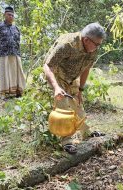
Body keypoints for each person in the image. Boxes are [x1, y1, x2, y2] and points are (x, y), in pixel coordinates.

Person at [43, 22, 106, 154]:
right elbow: (47, 66)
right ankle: (66, 141)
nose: (98, 47)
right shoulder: (67, 44)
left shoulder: (92, 49)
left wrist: (80, 90)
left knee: (78, 106)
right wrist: (56, 88)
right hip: (57, 76)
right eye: (97, 44)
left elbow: (86, 69)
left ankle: (87, 133)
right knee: (63, 107)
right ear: (86, 40)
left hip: (72, 78)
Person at [0, 6, 25, 99]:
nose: (11, 17)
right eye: (9, 15)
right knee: (5, 73)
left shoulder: (16, 28)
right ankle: (4, 94)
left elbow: (18, 40)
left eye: (12, 15)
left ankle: (18, 92)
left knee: (17, 73)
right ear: (4, 15)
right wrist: (0, 47)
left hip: (15, 53)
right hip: (3, 54)